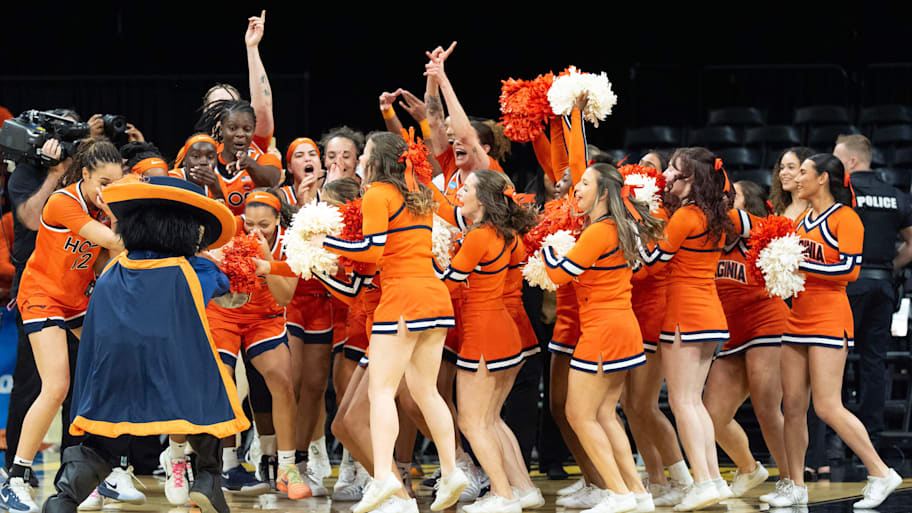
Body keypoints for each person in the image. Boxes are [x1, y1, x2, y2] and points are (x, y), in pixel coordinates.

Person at [40, 175, 246, 513]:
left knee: (101, 443)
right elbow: (224, 286)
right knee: (209, 409)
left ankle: (62, 499)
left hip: (115, 371)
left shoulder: (111, 270)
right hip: (173, 367)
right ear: (182, 228)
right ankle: (208, 480)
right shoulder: (197, 270)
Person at [321, 131, 467, 513]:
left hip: (401, 299)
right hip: (434, 299)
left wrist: (327, 242)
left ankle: (383, 477)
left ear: (376, 161)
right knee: (425, 390)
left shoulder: (377, 194)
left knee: (381, 392)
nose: (362, 161)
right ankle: (452, 470)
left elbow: (372, 251)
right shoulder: (419, 191)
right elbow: (455, 222)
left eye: (365, 154)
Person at [771, 153, 904, 508]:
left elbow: (848, 270)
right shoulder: (800, 219)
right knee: (794, 406)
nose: (797, 179)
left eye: (803, 173)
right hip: (796, 318)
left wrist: (801, 262)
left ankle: (880, 471)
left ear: (823, 179)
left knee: (828, 405)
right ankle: (794, 484)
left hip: (829, 318)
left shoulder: (847, 219)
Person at [0, 139, 125, 513]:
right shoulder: (62, 202)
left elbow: (105, 259)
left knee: (108, 376)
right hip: (40, 296)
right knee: (55, 385)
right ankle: (15, 479)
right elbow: (115, 242)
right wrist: (119, 213)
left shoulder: (105, 204)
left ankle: (94, 470)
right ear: (84, 174)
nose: (108, 191)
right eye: (103, 182)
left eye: (115, 185)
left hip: (76, 302)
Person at [542, 163, 664, 513]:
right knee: (606, 414)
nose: (576, 189)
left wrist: (549, 248)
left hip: (603, 331)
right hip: (620, 327)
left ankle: (619, 494)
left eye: (583, 184)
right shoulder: (615, 227)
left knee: (578, 414)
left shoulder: (599, 232)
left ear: (605, 193)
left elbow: (559, 273)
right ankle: (636, 492)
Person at [640, 147, 741, 511]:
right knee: (693, 403)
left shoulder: (685, 217)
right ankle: (712, 479)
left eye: (674, 171)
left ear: (692, 180)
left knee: (683, 403)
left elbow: (652, 263)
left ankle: (703, 480)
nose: (666, 175)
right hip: (711, 314)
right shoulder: (716, 215)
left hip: (685, 314)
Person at [436, 169, 540, 513]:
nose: (459, 194)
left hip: (483, 332)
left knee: (471, 421)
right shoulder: (507, 234)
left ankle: (502, 494)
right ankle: (523, 489)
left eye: (465, 189)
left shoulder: (479, 237)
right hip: (504, 329)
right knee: (492, 419)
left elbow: (449, 283)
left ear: (482, 199)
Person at [205, 190, 309, 500]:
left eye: (263, 224)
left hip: (264, 316)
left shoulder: (292, 242)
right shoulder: (228, 229)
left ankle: (287, 468)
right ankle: (225, 464)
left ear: (278, 220)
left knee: (282, 380)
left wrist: (267, 261)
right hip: (223, 312)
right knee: (221, 382)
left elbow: (285, 297)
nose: (254, 231)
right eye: (249, 223)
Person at [702, 180, 790, 499]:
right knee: (711, 413)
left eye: (732, 195)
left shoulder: (758, 232)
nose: (725, 199)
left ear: (747, 203)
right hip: (732, 333)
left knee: (767, 407)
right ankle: (749, 468)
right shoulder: (713, 238)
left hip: (768, 324)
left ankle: (792, 482)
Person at [835, 134, 912, 438]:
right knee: (873, 361)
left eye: (837, 159)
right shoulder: (894, 195)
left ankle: (836, 436)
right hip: (882, 286)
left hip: (847, 285)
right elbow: (911, 245)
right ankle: (872, 435)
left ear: (852, 161)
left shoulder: (842, 193)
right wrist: (888, 267)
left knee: (834, 358)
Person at [194, 100, 282, 213]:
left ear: (253, 131)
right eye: (232, 128)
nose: (240, 134)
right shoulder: (206, 162)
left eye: (247, 129)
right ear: (221, 130)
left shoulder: (264, 159)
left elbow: (271, 181)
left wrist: (249, 164)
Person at [769, 147, 815, 220]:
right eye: (781, 168)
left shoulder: (818, 209)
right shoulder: (777, 210)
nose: (783, 173)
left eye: (791, 167)